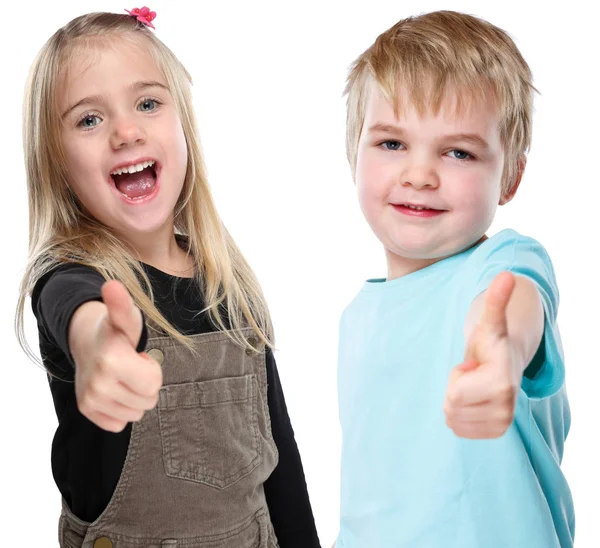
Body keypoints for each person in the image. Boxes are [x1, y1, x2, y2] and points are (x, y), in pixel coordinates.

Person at [16, 8, 320, 548]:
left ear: (183, 124)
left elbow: (281, 462)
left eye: (148, 103)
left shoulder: (230, 282)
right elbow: (76, 312)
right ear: (58, 163)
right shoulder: (70, 280)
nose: (126, 131)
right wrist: (98, 348)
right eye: (89, 119)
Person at [335, 10, 573, 548]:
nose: (419, 174)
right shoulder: (356, 317)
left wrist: (500, 356)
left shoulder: (501, 265)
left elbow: (513, 307)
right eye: (392, 144)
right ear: (355, 153)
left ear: (509, 176)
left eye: (458, 152)